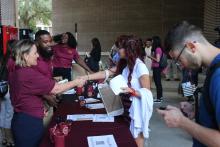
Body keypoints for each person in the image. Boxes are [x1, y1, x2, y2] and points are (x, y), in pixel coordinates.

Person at [8, 39, 86, 147]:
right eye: (35, 53)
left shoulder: (17, 70)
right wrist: (76, 82)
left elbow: (26, 94)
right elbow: (56, 89)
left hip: (23, 119)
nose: (37, 56)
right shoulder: (27, 73)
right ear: (25, 56)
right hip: (28, 124)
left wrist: (38, 108)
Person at [79, 36, 153, 147]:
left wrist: (132, 91)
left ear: (129, 49)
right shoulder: (125, 64)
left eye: (121, 48)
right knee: (128, 138)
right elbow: (106, 73)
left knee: (137, 140)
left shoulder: (140, 67)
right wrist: (86, 77)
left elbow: (148, 94)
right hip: (126, 108)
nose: (118, 50)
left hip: (136, 111)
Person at [157, 21, 220, 147]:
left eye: (179, 59)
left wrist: (182, 122)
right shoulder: (213, 69)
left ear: (191, 47)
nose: (181, 66)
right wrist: (198, 111)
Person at [148, 36, 164, 103]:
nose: (151, 42)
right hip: (156, 68)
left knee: (158, 83)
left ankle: (159, 98)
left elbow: (157, 60)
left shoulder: (158, 49)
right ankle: (159, 97)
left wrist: (150, 57)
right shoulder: (158, 49)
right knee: (157, 83)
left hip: (157, 68)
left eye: (152, 41)